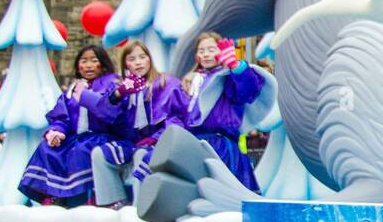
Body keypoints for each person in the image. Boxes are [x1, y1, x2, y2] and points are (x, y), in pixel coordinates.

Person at [19, 44, 129, 207]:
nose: (89, 65)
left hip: (104, 136)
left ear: (103, 63)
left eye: (94, 60)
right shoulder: (72, 89)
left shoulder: (112, 84)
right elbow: (62, 117)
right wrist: (57, 132)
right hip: (77, 137)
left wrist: (86, 96)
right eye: (84, 61)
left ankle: (85, 197)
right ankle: (54, 195)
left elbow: (110, 112)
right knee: (47, 149)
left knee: (80, 151)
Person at [91, 40, 190, 207]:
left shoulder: (167, 84)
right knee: (99, 154)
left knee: (141, 156)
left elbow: (178, 118)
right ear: (125, 64)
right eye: (132, 58)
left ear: (149, 59)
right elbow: (105, 115)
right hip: (130, 143)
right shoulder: (120, 87)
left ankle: (141, 206)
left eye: (142, 57)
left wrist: (156, 138)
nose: (138, 62)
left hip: (159, 142)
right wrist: (118, 94)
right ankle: (114, 202)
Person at [182, 33, 268, 192]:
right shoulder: (193, 81)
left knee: (226, 194)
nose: (206, 54)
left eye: (211, 49)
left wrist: (236, 67)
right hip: (195, 146)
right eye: (201, 51)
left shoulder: (227, 79)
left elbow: (248, 91)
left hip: (222, 147)